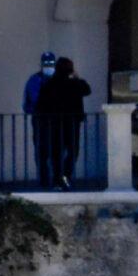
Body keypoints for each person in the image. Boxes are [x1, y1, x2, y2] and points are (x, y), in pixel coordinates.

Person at [33, 56, 92, 191]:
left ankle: (57, 180)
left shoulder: (49, 84)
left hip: (55, 123)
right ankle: (65, 175)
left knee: (56, 152)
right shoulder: (74, 83)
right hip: (72, 122)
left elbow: (41, 105)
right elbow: (87, 90)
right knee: (73, 150)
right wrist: (76, 77)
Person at [24, 51, 58, 187]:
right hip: (41, 120)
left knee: (57, 150)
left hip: (57, 120)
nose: (48, 66)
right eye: (46, 63)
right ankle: (44, 180)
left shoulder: (59, 79)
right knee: (42, 150)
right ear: (41, 64)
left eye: (51, 63)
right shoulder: (35, 80)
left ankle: (57, 179)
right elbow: (32, 99)